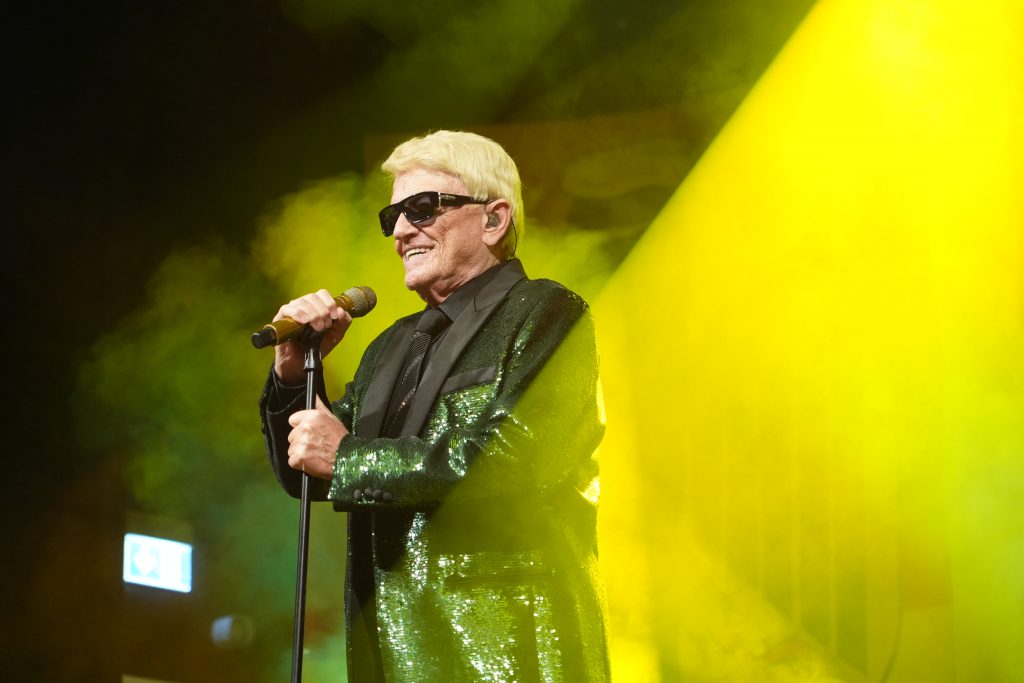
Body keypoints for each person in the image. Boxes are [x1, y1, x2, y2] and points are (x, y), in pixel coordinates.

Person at [259, 130, 609, 681]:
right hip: (390, 654)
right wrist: (291, 373)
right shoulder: (389, 346)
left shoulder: (547, 313)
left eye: (422, 208)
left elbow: (517, 459)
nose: (401, 230)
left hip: (508, 650)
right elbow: (308, 471)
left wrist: (350, 457)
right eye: (392, 216)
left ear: (493, 219)